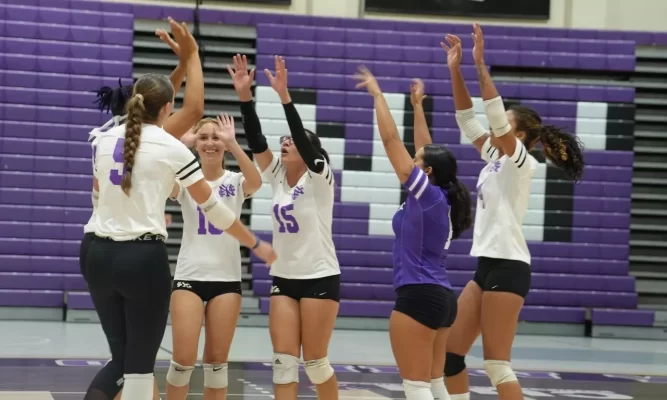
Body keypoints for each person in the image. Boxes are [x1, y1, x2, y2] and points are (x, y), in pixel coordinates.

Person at [440, 26, 584, 400]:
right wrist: (455, 71)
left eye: (503, 123)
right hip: (486, 265)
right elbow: (467, 121)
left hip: (509, 266)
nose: (494, 127)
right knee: (449, 356)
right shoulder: (496, 159)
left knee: (496, 364)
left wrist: (479, 64)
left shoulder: (521, 162)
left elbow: (494, 120)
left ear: (519, 136)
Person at [81, 18, 200, 400]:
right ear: (161, 108)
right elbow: (189, 108)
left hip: (99, 246)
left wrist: (180, 66)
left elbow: (161, 97)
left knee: (124, 363)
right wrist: (193, 55)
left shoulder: (112, 132)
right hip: (135, 251)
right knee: (132, 366)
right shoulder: (156, 139)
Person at [354, 68, 472, 400]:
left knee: (416, 386)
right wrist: (417, 107)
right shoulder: (440, 196)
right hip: (441, 298)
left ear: (427, 171)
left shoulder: (428, 196)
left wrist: (379, 96)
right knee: (434, 384)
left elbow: (392, 141)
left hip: (419, 296)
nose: (411, 160)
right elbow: (426, 147)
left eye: (416, 161)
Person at [229, 54, 340, 400]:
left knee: (317, 364)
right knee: (283, 363)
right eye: (286, 139)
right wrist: (245, 97)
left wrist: (285, 97)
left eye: (294, 140)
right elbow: (257, 139)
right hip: (285, 278)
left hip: (320, 276)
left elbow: (304, 144)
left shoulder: (321, 176)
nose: (286, 142)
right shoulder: (277, 176)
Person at [165, 113, 262, 399]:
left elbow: (256, 182)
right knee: (182, 361)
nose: (210, 143)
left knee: (217, 364)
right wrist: (180, 145)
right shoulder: (184, 181)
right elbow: (163, 182)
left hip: (226, 280)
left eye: (216, 137)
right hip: (189, 277)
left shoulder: (235, 181)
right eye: (203, 137)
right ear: (195, 144)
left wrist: (234, 144)